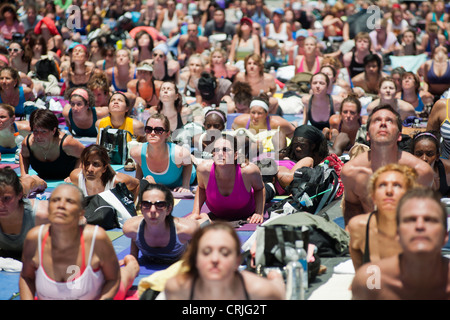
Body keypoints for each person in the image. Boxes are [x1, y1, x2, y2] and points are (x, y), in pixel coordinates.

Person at [19, 183, 140, 300]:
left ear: (81, 212)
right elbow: (26, 277)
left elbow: (113, 279)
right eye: (55, 200)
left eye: (69, 201)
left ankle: (130, 266)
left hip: (98, 293)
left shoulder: (96, 237)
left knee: (124, 276)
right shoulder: (34, 238)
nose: (61, 205)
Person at [341, 104, 434, 225]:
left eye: (389, 120)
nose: (383, 123)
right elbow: (352, 212)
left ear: (399, 135)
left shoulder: (420, 172)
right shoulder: (351, 172)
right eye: (377, 120)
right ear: (368, 135)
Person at [352, 187, 450, 300]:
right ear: (397, 234)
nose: (420, 226)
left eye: (429, 220)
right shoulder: (371, 283)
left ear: (445, 235)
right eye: (410, 220)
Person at [164, 222, 285, 300]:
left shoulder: (261, 291)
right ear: (195, 258)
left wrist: (275, 278)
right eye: (207, 252)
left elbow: (280, 292)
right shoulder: (177, 290)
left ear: (238, 260)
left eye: (225, 253)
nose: (215, 259)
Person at [347, 164, 419, 271]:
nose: (389, 191)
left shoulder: (420, 230)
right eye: (382, 185)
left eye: (397, 185)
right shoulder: (359, 227)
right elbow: (362, 277)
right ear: (373, 196)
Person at [190, 134, 265, 224]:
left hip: (248, 209)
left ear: (235, 155)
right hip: (218, 215)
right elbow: (201, 188)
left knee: (270, 188)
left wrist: (259, 213)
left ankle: (273, 184)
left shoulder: (248, 171)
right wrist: (195, 212)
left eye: (225, 150)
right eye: (216, 150)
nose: (220, 153)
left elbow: (260, 189)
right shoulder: (204, 170)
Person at [123, 183, 199, 264]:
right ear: (141, 208)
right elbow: (134, 236)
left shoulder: (185, 231)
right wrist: (133, 256)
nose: (152, 210)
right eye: (146, 204)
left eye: (160, 205)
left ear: (168, 209)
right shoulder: (131, 229)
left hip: (187, 229)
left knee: (200, 220)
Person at [130, 113, 196, 192]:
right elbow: (140, 163)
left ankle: (193, 156)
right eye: (148, 129)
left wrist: (185, 185)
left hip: (186, 179)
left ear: (167, 134)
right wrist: (137, 182)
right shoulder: (136, 152)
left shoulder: (178, 154)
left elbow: (189, 164)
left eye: (158, 130)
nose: (153, 133)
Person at [20, 109, 85, 181]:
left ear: (54, 131)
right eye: (35, 131)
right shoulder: (28, 143)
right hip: (43, 179)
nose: (38, 136)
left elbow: (85, 154)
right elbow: (23, 155)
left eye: (43, 131)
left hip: (67, 179)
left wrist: (75, 175)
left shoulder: (66, 143)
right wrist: (24, 174)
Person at [0, 167, 48, 259]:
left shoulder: (42, 215)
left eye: (6, 199)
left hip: (23, 190)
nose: (1, 205)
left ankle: (33, 179)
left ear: (19, 195)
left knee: (27, 184)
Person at [69, 144, 140, 199]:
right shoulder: (76, 177)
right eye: (87, 163)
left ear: (104, 168)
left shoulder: (117, 182)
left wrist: (131, 208)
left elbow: (137, 184)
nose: (90, 169)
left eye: (96, 164)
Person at [411, 131, 450, 197]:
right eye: (419, 154)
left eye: (429, 154)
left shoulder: (447, 169)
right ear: (412, 155)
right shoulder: (406, 172)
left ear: (437, 156)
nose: (424, 158)